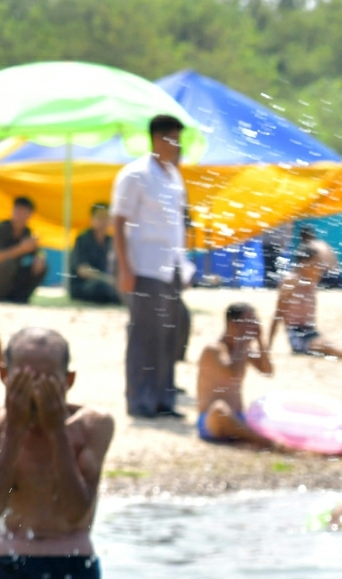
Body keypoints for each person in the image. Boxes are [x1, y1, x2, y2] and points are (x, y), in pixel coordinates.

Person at [0, 328, 114, 579]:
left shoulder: (92, 425)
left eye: (47, 381)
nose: (36, 391)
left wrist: (57, 433)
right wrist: (14, 430)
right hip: (6, 564)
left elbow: (75, 510)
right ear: (4, 376)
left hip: (73, 564)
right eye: (25, 380)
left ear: (68, 381)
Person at [111, 114, 189, 420]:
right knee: (144, 334)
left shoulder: (173, 176)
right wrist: (124, 267)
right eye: (173, 139)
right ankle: (140, 400)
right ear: (157, 139)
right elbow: (119, 222)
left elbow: (177, 226)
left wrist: (183, 265)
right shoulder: (135, 175)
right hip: (144, 265)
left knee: (168, 333)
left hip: (170, 266)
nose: (177, 146)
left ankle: (163, 399)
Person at [193, 303, 276, 446]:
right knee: (219, 409)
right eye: (248, 323)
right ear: (233, 324)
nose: (252, 327)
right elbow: (233, 373)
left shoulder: (242, 350)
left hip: (238, 417)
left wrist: (260, 340)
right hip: (211, 420)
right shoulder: (213, 349)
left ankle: (248, 435)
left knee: (266, 407)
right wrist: (242, 341)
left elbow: (267, 371)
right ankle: (263, 441)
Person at [272, 246, 342, 361]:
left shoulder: (310, 280)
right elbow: (278, 314)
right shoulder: (290, 281)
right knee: (325, 347)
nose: (319, 266)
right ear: (304, 262)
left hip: (311, 330)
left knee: (331, 344)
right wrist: (268, 345)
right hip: (296, 333)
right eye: (315, 262)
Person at [0, 197, 49, 305]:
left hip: (11, 279)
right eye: (18, 211)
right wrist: (21, 249)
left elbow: (38, 251)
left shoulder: (27, 232)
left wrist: (40, 257)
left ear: (30, 215)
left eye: (24, 212)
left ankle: (20, 298)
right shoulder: (1, 229)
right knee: (9, 265)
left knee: (41, 267)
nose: (20, 216)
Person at [66, 204, 120, 306]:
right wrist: (106, 279)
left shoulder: (111, 241)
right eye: (100, 216)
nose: (103, 220)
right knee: (100, 287)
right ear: (92, 219)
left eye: (106, 217)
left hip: (107, 284)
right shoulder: (83, 239)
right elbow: (82, 270)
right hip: (84, 285)